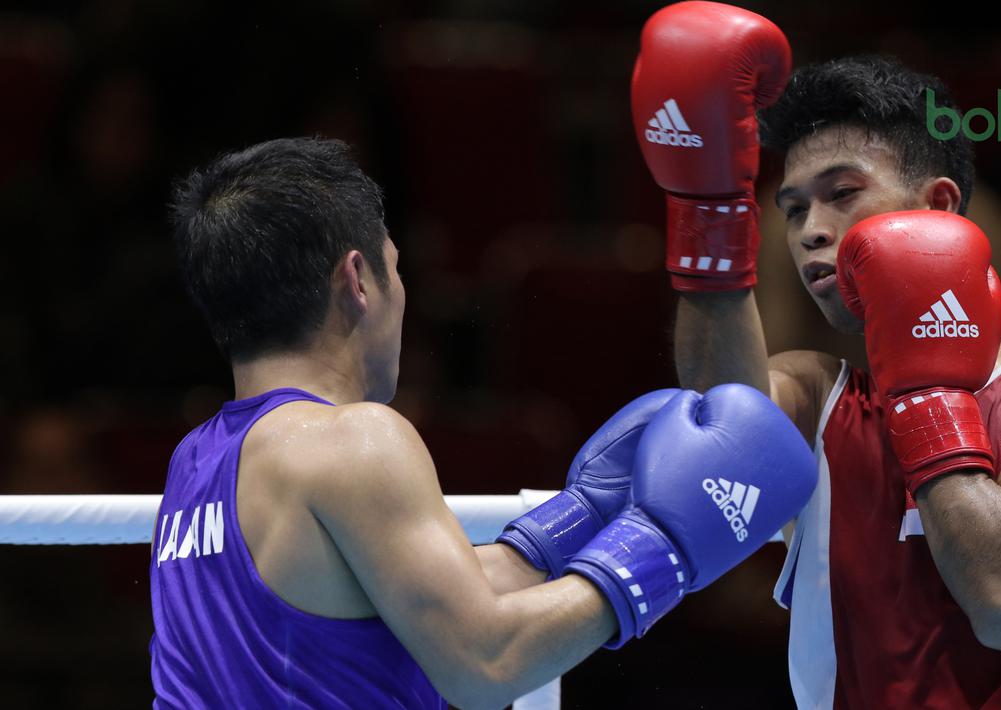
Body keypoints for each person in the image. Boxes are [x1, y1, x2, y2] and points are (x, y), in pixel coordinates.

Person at [149, 136, 817, 708]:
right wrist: (660, 546)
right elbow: (486, 660)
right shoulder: (350, 440)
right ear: (357, 279)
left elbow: (398, 597)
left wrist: (585, 515)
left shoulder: (197, 462)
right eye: (395, 270)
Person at [631, 2, 1001, 707]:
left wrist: (922, 396)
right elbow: (719, 434)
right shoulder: (814, 396)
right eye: (792, 210)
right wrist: (707, 216)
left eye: (842, 194)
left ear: (937, 208)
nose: (811, 232)